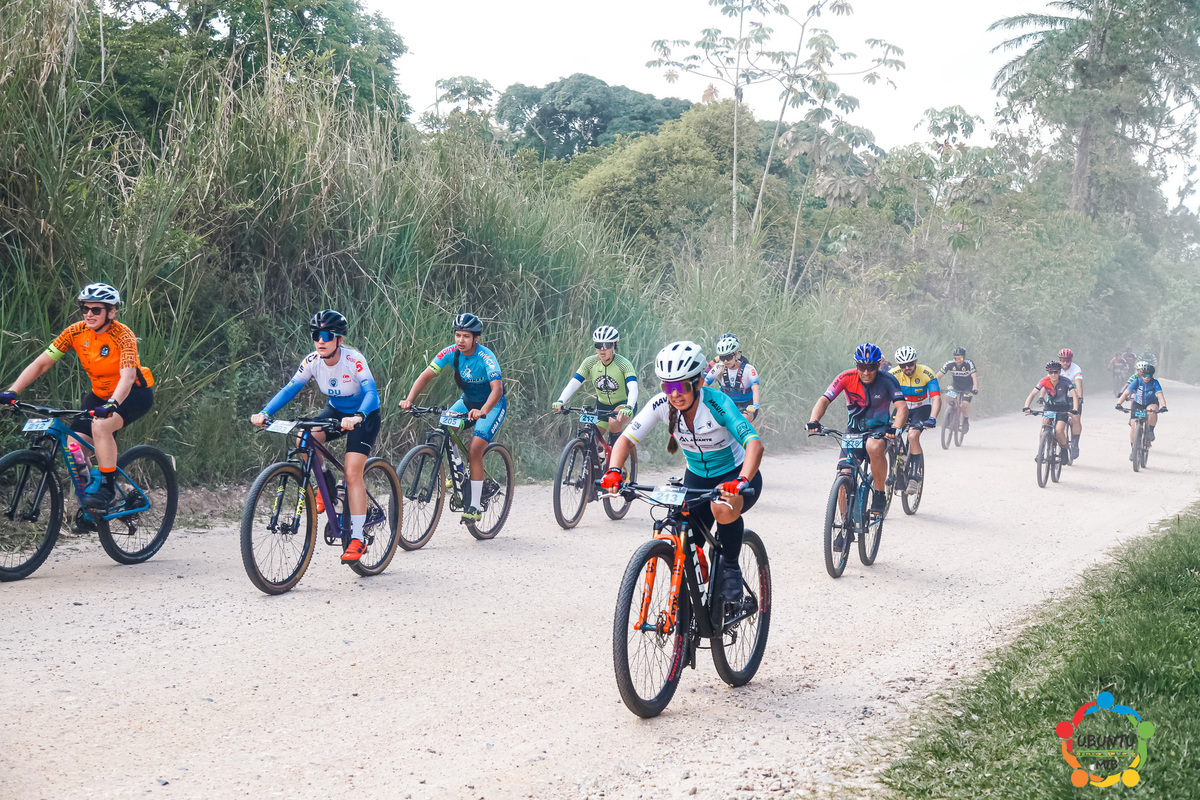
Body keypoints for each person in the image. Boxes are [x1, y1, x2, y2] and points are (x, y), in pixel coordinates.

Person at [601, 341, 763, 616]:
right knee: (683, 534)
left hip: (735, 475)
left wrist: (741, 480)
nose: (674, 394)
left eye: (681, 386)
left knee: (721, 507)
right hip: (696, 479)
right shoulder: (661, 404)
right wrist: (614, 471)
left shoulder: (718, 403)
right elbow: (625, 439)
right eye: (668, 387)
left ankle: (730, 567)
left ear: (698, 382)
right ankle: (694, 609)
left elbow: (754, 445)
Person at [1, 283, 155, 509]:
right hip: (99, 395)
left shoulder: (123, 335)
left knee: (101, 426)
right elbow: (42, 363)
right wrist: (13, 391)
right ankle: (90, 503)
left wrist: (112, 404)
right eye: (85, 308)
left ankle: (107, 488)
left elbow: (128, 377)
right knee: (75, 448)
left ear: (111, 312)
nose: (89, 314)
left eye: (96, 309)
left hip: (133, 393)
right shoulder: (75, 332)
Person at [251, 310, 380, 562]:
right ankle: (327, 488)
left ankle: (358, 538)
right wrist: (265, 412)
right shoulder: (312, 360)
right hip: (336, 411)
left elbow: (371, 393)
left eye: (326, 336)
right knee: (304, 438)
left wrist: (359, 416)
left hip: (364, 415)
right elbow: (290, 389)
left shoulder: (354, 360)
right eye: (316, 335)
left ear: (339, 339)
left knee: (352, 473)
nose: (320, 341)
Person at [400, 313, 505, 523]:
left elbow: (497, 389)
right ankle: (457, 470)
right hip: (467, 401)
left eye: (466, 336)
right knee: (444, 427)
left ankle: (474, 507)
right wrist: (409, 400)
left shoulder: (486, 357)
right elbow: (425, 376)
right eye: (458, 335)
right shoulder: (450, 353)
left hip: (492, 405)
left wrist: (483, 410)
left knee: (475, 449)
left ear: (476, 338)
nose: (460, 340)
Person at [807, 343, 908, 530]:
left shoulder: (888, 380)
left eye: (871, 367)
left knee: (873, 446)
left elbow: (902, 408)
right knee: (844, 475)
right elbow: (824, 399)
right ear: (856, 365)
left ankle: (879, 495)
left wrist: (896, 427)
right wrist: (814, 420)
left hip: (880, 430)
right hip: (853, 432)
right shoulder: (846, 377)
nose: (866, 372)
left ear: (878, 365)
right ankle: (845, 523)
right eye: (862, 367)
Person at [551, 325, 639, 442]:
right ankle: (593, 451)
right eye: (598, 345)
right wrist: (561, 400)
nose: (602, 349)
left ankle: (615, 450)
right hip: (601, 407)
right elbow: (574, 382)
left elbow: (633, 387)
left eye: (607, 345)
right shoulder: (589, 362)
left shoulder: (624, 364)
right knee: (589, 436)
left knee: (613, 421)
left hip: (623, 405)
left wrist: (629, 406)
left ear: (614, 346)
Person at [889, 346, 941, 494]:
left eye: (910, 364)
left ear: (916, 361)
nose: (907, 368)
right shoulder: (892, 375)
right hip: (902, 408)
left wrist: (932, 418)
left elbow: (936, 398)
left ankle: (914, 476)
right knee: (891, 435)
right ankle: (899, 465)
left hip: (921, 408)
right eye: (903, 365)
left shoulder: (926, 373)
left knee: (912, 435)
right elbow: (883, 398)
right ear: (898, 365)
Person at [1022, 361, 1080, 464]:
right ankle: (1041, 452)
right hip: (1050, 407)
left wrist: (1075, 409)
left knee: (1059, 430)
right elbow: (1032, 394)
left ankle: (1063, 449)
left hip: (1063, 408)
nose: (1053, 375)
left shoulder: (1065, 381)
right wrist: (1026, 406)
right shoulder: (1044, 381)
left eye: (1056, 372)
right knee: (1044, 428)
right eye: (1051, 372)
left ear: (1059, 372)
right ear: (1048, 373)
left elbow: (1074, 395)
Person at [704, 333, 761, 422]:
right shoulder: (718, 367)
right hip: (727, 403)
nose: (726, 361)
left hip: (746, 405)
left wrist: (756, 404)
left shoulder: (749, 369)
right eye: (722, 358)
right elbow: (704, 384)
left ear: (736, 354)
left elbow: (755, 387)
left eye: (729, 357)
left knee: (740, 421)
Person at [1117, 362, 1167, 458]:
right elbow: (1125, 393)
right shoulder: (1136, 381)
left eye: (1149, 376)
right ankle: (1133, 450)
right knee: (1133, 427)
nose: (1146, 378)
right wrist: (1119, 404)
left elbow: (1160, 395)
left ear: (1152, 376)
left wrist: (1164, 406)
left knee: (1152, 411)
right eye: (1144, 375)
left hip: (1151, 403)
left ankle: (1150, 430)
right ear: (1141, 374)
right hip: (1138, 404)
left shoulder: (1155, 383)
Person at [935, 347, 978, 432]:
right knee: (947, 395)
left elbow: (974, 376)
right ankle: (947, 416)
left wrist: (975, 388)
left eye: (960, 358)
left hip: (967, 387)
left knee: (965, 403)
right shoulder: (949, 364)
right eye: (956, 358)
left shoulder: (969, 363)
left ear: (964, 358)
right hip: (955, 386)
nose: (958, 361)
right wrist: (936, 388)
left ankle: (965, 421)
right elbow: (938, 376)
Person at [1057, 348, 1084, 459]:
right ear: (1059, 360)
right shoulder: (1056, 368)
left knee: (1076, 418)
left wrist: (1080, 397)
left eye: (1067, 360)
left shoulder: (1076, 368)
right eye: (1062, 360)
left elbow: (1078, 383)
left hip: (1073, 398)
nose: (1065, 362)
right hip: (1059, 397)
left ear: (1071, 360)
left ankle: (1075, 444)